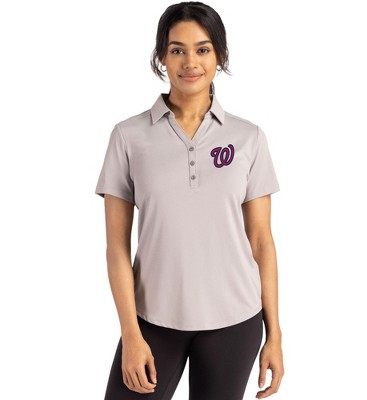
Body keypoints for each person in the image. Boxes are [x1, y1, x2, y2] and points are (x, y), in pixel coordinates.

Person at [95, 2, 284, 399]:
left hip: (235, 321)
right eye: (177, 49)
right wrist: (130, 334)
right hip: (153, 320)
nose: (190, 61)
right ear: (161, 57)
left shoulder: (248, 138)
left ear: (220, 56)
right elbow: (116, 247)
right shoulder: (128, 137)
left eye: (203, 49)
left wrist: (275, 335)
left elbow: (261, 241)